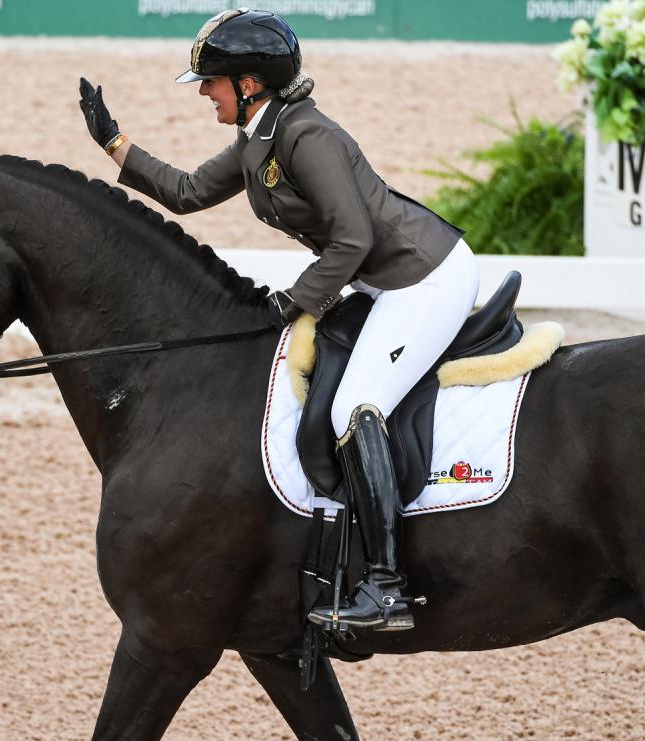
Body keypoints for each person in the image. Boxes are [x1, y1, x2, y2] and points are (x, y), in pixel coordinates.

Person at [79, 8, 479, 632]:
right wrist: (113, 142)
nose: (204, 92)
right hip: (378, 278)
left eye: (211, 81)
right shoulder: (258, 137)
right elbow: (186, 192)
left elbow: (350, 239)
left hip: (423, 278)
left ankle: (387, 585)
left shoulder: (305, 136)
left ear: (249, 83)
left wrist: (294, 300)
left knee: (355, 407)